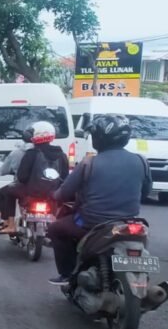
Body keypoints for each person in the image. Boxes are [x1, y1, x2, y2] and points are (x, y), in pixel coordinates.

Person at [48, 114, 152, 285]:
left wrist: (53, 194)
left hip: (92, 223)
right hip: (130, 222)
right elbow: (145, 192)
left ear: (100, 137)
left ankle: (67, 274)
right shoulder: (142, 161)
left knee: (55, 229)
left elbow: (63, 194)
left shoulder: (89, 163)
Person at [0, 122, 69, 235]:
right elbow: (65, 177)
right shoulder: (62, 155)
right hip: (52, 193)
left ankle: (10, 225)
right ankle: (55, 222)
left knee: (6, 192)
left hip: (30, 192)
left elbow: (22, 177)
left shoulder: (31, 153)